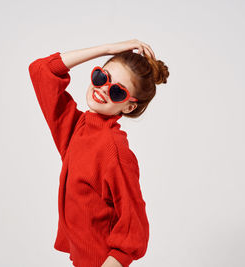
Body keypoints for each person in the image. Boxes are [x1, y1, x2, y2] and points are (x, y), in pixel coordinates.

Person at [28, 39, 169, 267]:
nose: (103, 89)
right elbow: (42, 71)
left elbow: (135, 229)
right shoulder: (78, 129)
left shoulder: (113, 150)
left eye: (117, 91)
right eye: (102, 77)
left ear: (129, 107)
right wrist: (107, 49)